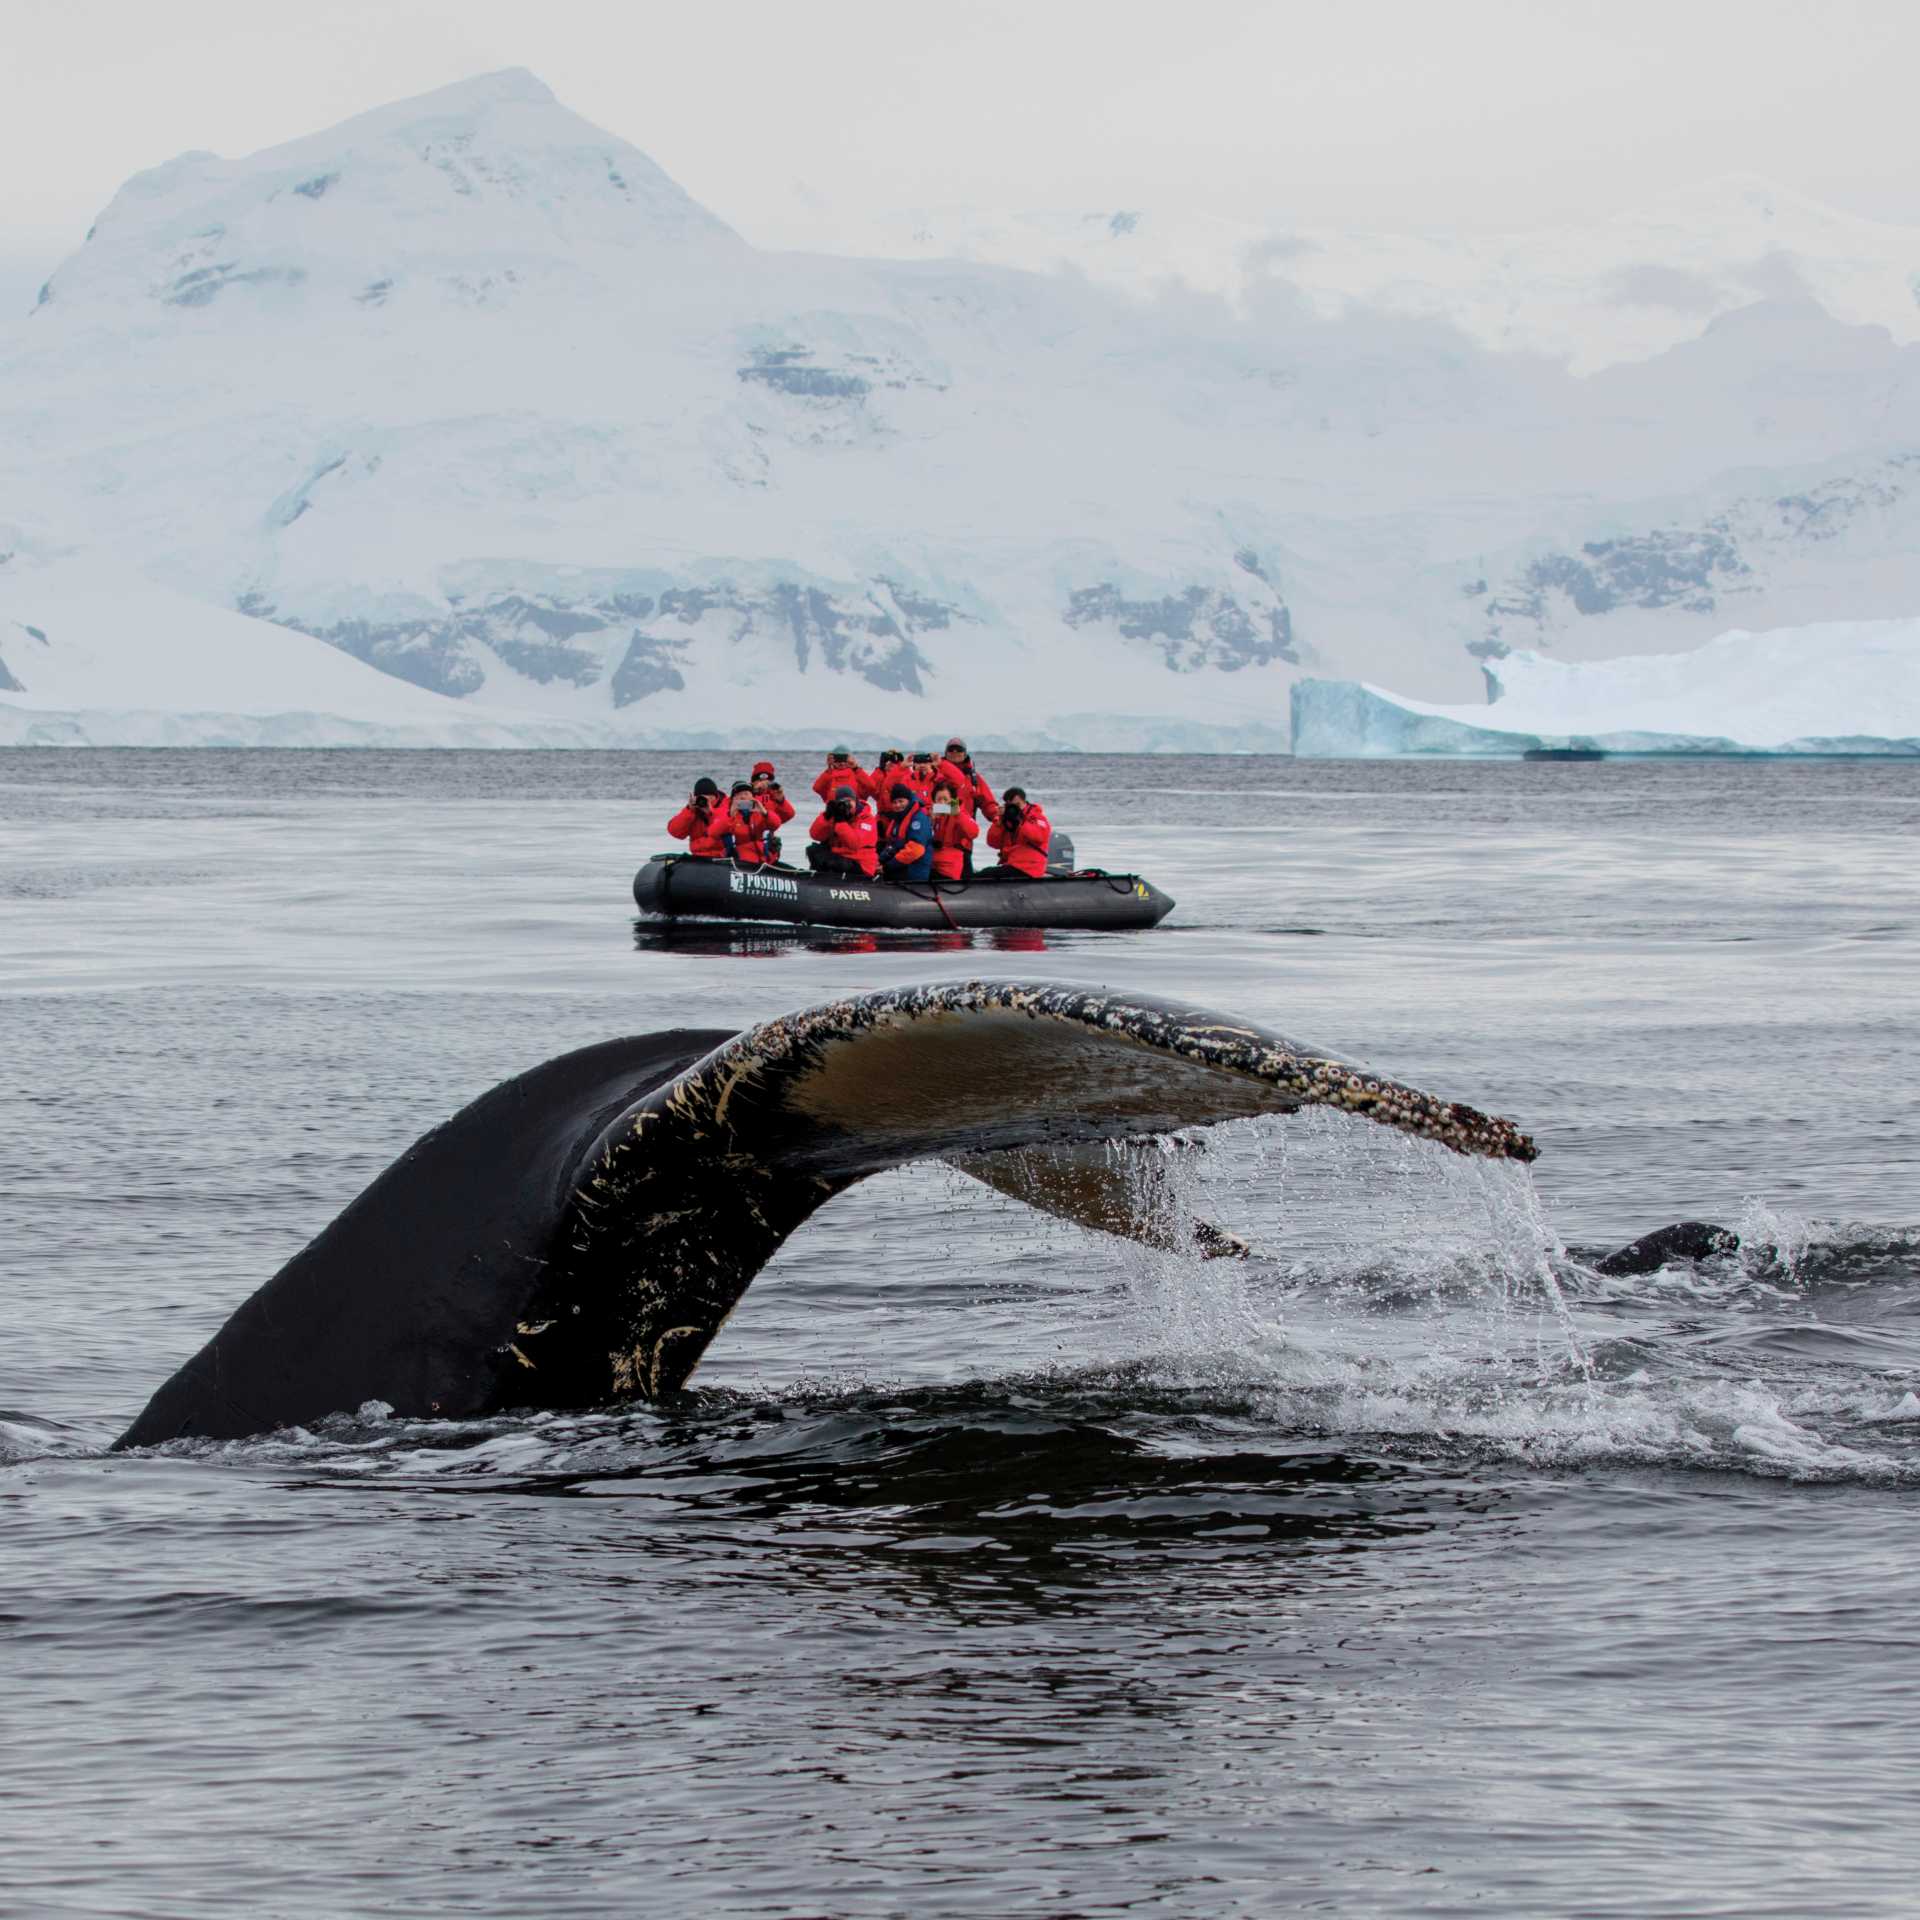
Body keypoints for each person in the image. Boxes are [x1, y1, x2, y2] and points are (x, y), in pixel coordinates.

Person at [806, 783, 879, 879]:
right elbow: (815, 835)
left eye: (849, 801)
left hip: (860, 863)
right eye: (842, 802)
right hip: (841, 857)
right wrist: (826, 817)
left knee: (830, 861)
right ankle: (819, 879)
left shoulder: (866, 819)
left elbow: (854, 844)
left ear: (855, 801)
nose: (846, 805)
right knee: (813, 850)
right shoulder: (836, 814)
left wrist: (841, 822)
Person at [984, 785, 1051, 878]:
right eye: (1010, 805)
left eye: (1017, 805)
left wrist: (1019, 820)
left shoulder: (1037, 817)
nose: (1013, 809)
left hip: (1030, 867)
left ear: (1023, 801)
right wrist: (999, 821)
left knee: (985, 874)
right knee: (984, 873)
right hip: (1013, 865)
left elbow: (1039, 837)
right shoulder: (1006, 819)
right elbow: (992, 842)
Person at [877, 781, 934, 883]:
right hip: (903, 865)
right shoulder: (898, 819)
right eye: (895, 802)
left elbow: (915, 850)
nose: (898, 805)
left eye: (901, 801)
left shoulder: (918, 818)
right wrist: (879, 861)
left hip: (914, 871)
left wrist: (888, 866)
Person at [928, 776, 978, 882]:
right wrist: (930, 821)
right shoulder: (929, 813)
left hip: (950, 863)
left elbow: (973, 833)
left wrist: (957, 813)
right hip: (932, 860)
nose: (942, 803)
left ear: (952, 800)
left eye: (945, 799)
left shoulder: (960, 814)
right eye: (939, 799)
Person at [666, 776, 731, 858]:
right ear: (696, 798)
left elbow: (726, 826)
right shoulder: (693, 811)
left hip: (723, 857)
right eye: (702, 798)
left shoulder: (727, 807)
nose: (707, 801)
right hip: (698, 858)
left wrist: (712, 813)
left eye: (710, 797)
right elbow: (676, 832)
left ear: (716, 797)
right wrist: (689, 810)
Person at [718, 779, 778, 864]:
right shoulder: (727, 813)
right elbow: (714, 831)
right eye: (739, 794)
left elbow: (776, 824)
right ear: (733, 798)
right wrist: (731, 814)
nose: (743, 797)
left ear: (753, 796)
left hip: (764, 858)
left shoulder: (760, 811)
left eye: (746, 794)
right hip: (740, 860)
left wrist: (765, 812)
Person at [941, 738, 999, 822]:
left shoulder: (973, 777)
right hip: (941, 824)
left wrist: (997, 816)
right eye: (951, 749)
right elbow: (928, 803)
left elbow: (987, 802)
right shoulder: (937, 774)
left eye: (959, 749)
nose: (955, 752)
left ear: (965, 754)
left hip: (965, 825)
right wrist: (953, 810)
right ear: (945, 753)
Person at [750, 761, 795, 863]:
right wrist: (754, 791)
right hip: (748, 844)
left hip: (767, 846)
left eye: (768, 782)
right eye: (760, 781)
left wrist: (781, 800)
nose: (764, 784)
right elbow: (734, 808)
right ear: (753, 781)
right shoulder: (745, 793)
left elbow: (789, 814)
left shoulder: (774, 799)